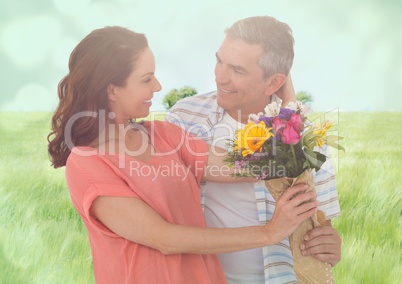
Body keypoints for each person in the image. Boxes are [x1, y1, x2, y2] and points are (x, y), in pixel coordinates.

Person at [47, 26, 319, 284]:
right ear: (111, 89)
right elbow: (164, 238)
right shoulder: (86, 162)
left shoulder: (164, 135)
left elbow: (251, 167)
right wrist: (269, 233)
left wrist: (286, 102)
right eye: (146, 79)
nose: (158, 86)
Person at [166, 16, 341, 283]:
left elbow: (321, 221)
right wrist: (290, 107)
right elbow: (167, 213)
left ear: (274, 82)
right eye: (219, 60)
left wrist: (329, 245)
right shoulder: (184, 118)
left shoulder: (308, 132)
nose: (220, 76)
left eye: (237, 70)